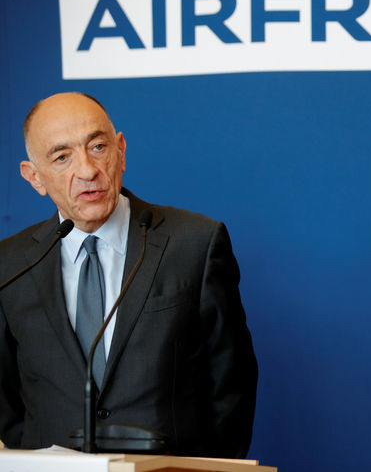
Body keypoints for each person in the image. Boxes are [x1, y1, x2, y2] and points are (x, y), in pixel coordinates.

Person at [0, 92, 258, 457]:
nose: (88, 170)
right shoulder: (9, 266)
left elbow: (232, 385)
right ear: (34, 177)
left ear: (120, 149)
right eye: (62, 157)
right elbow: (6, 402)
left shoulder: (194, 244)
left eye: (99, 147)